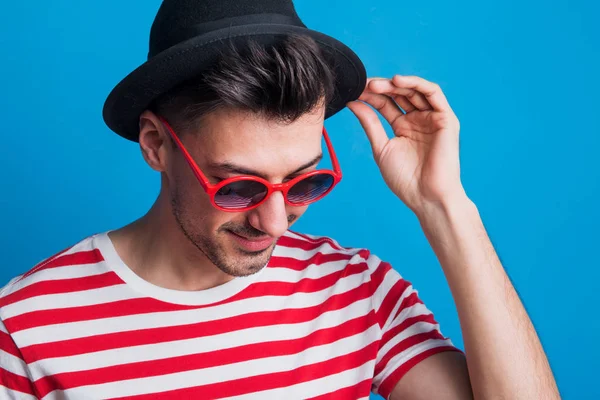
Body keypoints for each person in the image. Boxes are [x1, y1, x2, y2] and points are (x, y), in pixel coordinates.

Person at [0, 0, 560, 399]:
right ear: (156, 145)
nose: (273, 221)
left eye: (303, 183)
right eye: (238, 185)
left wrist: (446, 208)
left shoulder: (354, 288)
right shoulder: (24, 329)